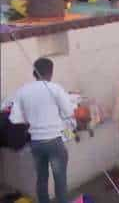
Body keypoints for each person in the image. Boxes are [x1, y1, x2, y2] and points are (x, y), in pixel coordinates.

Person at [9, 58, 75, 203]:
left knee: (42, 180)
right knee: (60, 182)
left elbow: (15, 119)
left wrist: (30, 119)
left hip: (36, 143)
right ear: (51, 72)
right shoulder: (55, 88)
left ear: (35, 72)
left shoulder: (22, 91)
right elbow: (69, 112)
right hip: (54, 141)